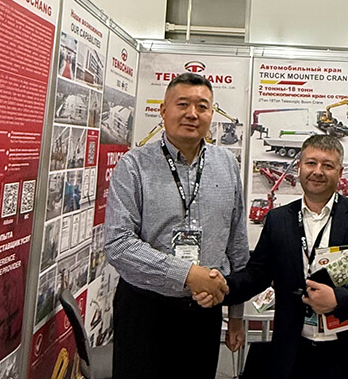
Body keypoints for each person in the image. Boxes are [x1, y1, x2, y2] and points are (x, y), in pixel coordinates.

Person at [197, 134, 348, 379]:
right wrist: (222, 287)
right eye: (311, 163)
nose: (318, 171)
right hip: (294, 350)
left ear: (340, 172)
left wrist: (339, 298)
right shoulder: (278, 220)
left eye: (327, 165)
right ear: (299, 167)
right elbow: (257, 274)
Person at [104, 72, 249, 379]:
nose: (192, 114)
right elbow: (118, 244)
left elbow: (237, 243)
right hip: (145, 308)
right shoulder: (133, 165)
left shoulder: (227, 164)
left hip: (204, 313)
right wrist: (187, 274)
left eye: (202, 106)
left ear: (211, 113)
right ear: (163, 110)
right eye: (182, 104)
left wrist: (236, 315)